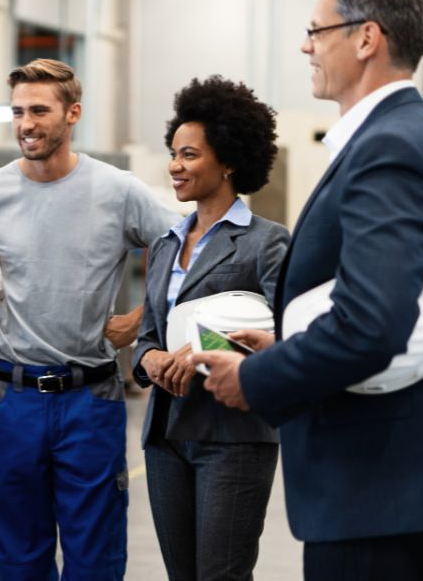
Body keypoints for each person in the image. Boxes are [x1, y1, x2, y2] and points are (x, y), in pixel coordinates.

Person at [193, 0, 423, 579]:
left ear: (367, 38)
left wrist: (257, 378)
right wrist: (290, 344)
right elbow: (393, 305)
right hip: (395, 488)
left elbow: (371, 325)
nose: (305, 47)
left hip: (378, 487)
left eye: (316, 31)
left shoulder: (391, 148)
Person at [0, 58, 180, 580]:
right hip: (12, 399)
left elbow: (187, 252)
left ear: (73, 114)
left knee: (96, 560)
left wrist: (140, 320)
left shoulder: (118, 191)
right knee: (20, 558)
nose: (26, 124)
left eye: (39, 111)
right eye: (17, 111)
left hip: (90, 400)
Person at [132, 76, 288, 581]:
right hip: (165, 434)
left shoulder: (266, 243)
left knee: (221, 575)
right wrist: (151, 358)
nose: (175, 166)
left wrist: (201, 349)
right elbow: (147, 336)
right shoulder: (164, 244)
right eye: (173, 154)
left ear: (229, 162)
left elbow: (290, 338)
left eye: (190, 155)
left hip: (233, 436)